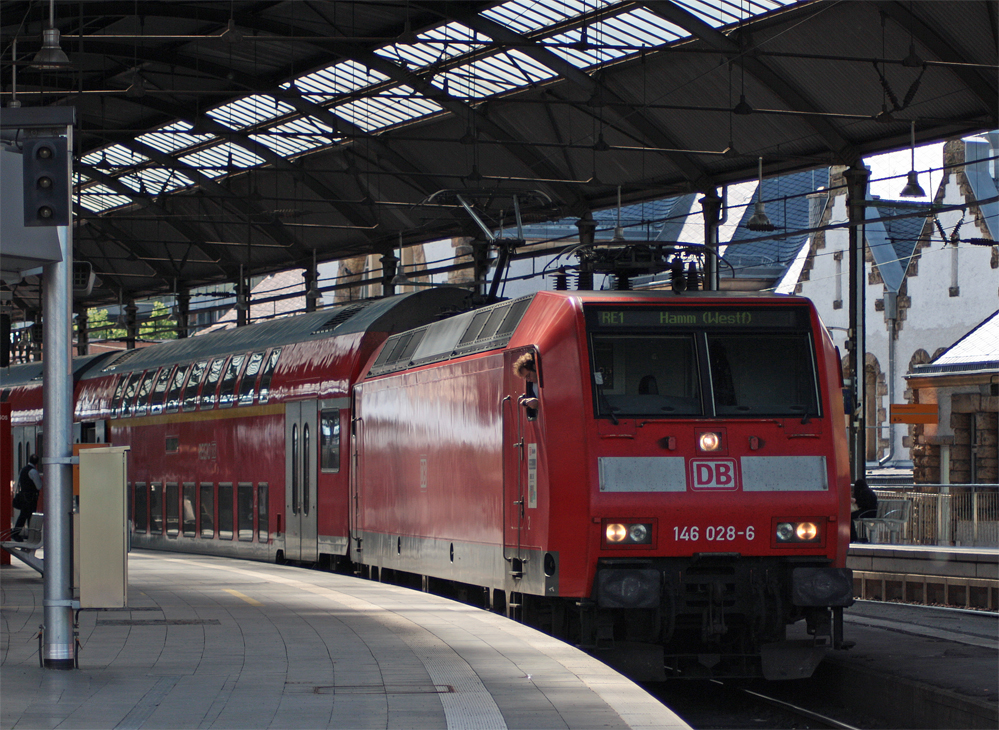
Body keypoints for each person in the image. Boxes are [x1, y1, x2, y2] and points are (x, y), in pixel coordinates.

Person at [12, 454, 42, 541]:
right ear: (37, 462)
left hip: (23, 497)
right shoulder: (33, 472)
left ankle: (16, 534)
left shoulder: (23, 470)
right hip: (31, 498)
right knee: (30, 517)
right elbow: (39, 486)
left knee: (23, 516)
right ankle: (29, 535)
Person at [850, 477, 878, 542]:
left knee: (849, 517)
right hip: (872, 512)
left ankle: (853, 537)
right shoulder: (869, 492)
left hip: (867, 512)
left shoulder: (865, 492)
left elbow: (863, 504)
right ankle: (854, 537)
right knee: (851, 516)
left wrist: (856, 501)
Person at [513, 352, 539, 417]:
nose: (528, 380)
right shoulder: (533, 386)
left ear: (534, 367)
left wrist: (538, 403)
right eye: (525, 378)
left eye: (528, 375)